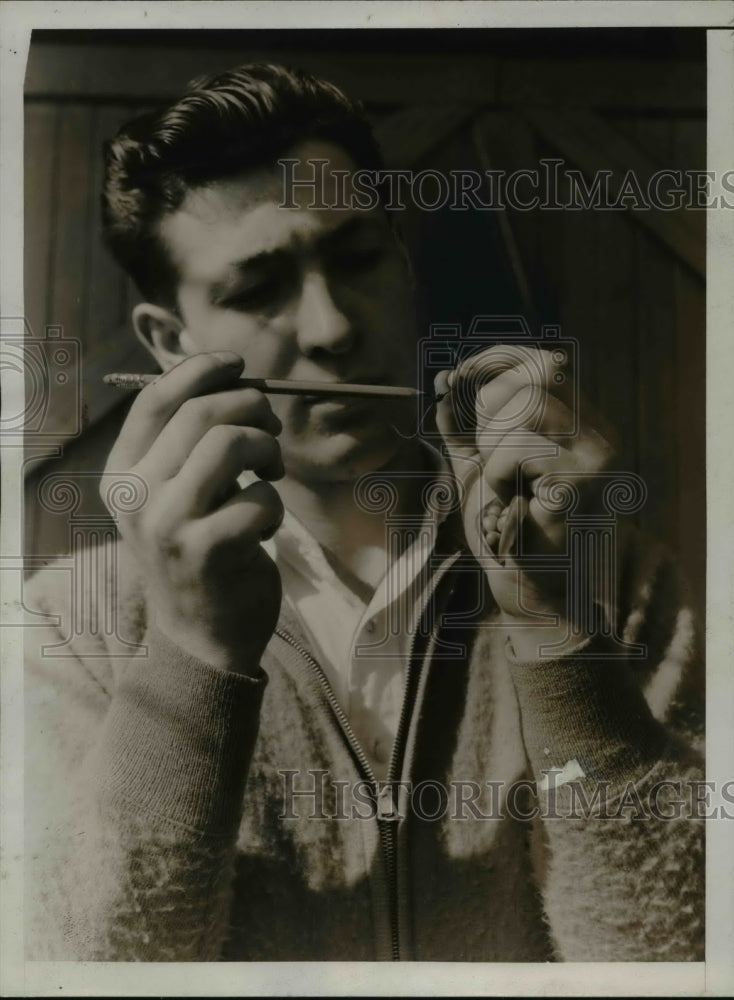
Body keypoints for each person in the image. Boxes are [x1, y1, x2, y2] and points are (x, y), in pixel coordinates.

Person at [24, 63, 704, 962]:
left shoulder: (612, 579)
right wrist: (187, 654)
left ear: (402, 261)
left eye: (356, 258)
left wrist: (562, 637)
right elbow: (85, 972)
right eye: (257, 288)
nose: (332, 328)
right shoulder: (71, 626)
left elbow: (668, 955)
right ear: (167, 341)